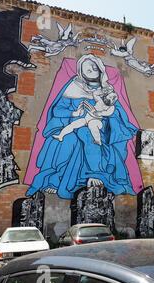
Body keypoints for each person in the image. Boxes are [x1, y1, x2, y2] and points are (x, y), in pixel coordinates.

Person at [26, 54, 139, 199]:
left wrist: (105, 114)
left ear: (100, 69)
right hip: (77, 122)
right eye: (87, 68)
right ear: (81, 72)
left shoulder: (107, 91)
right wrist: (74, 113)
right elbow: (57, 110)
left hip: (101, 126)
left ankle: (96, 175)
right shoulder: (72, 88)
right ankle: (56, 181)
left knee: (90, 135)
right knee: (69, 139)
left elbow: (117, 111)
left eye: (94, 67)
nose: (92, 70)